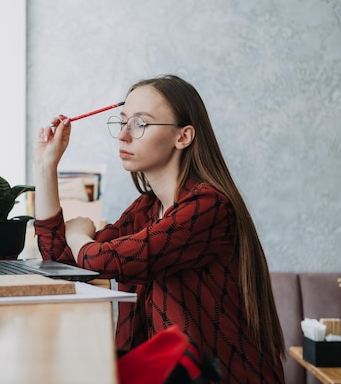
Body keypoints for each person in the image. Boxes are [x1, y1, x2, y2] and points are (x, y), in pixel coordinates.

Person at [33, 74, 285, 383]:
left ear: (183, 137)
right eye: (123, 122)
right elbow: (64, 262)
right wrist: (46, 166)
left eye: (140, 124)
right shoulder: (147, 208)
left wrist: (77, 234)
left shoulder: (208, 207)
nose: (124, 136)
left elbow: (100, 259)